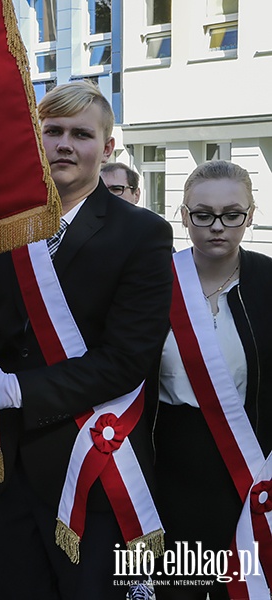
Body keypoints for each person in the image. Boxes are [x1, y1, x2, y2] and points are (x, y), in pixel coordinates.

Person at [0, 81, 173, 598]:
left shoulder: (142, 234)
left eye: (81, 134)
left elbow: (126, 358)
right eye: (52, 131)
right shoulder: (1, 228)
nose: (64, 144)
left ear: (108, 147)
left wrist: (17, 391)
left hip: (91, 461)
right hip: (7, 463)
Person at [153, 160, 271, 599]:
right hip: (169, 463)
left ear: (251, 214)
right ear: (183, 216)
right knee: (175, 585)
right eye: (203, 215)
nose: (217, 227)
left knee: (241, 585)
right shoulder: (154, 280)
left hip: (249, 461)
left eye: (231, 214)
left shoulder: (267, 280)